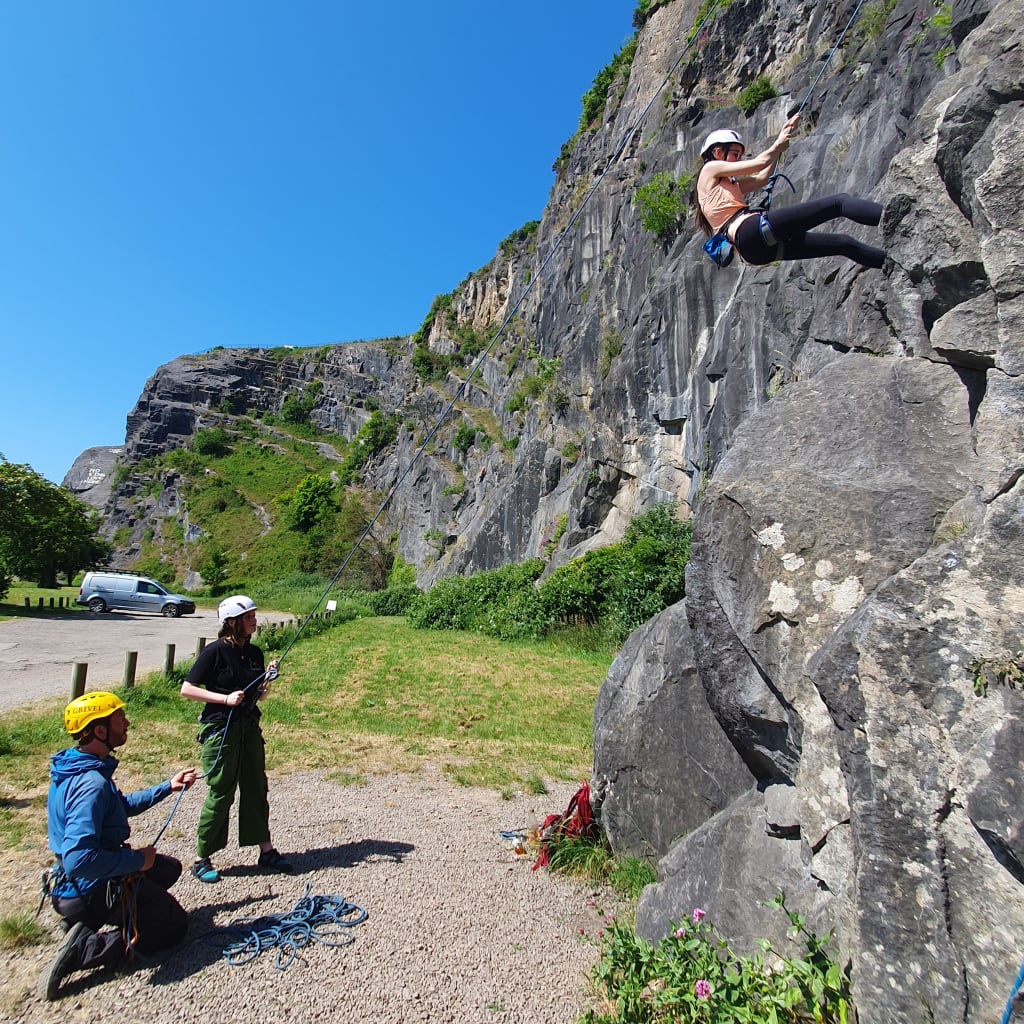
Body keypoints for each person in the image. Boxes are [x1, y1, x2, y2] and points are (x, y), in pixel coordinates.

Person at [41, 691, 196, 1000]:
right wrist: (137, 861)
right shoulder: (91, 785)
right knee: (175, 926)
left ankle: (86, 920)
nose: (126, 723)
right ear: (100, 731)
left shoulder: (77, 767)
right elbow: (79, 859)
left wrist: (169, 786)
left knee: (168, 869)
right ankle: (83, 948)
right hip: (89, 887)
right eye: (118, 719)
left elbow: (120, 805)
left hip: (78, 885)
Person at [180, 594, 293, 883]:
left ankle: (265, 850)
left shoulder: (254, 653)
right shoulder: (214, 652)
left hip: (249, 728)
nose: (255, 620)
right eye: (249, 617)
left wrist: (267, 681)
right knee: (221, 791)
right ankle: (201, 858)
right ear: (232, 623)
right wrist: (224, 699)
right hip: (220, 730)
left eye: (254, 615)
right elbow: (187, 689)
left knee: (257, 787)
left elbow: (260, 696)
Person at [695, 113, 885, 269]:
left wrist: (784, 135)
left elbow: (761, 178)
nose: (738, 159)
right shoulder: (709, 170)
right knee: (839, 203)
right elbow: (759, 163)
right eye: (735, 154)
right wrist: (777, 144)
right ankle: (890, 216)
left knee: (843, 244)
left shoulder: (727, 186)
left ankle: (890, 263)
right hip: (749, 232)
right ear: (718, 152)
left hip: (753, 250)